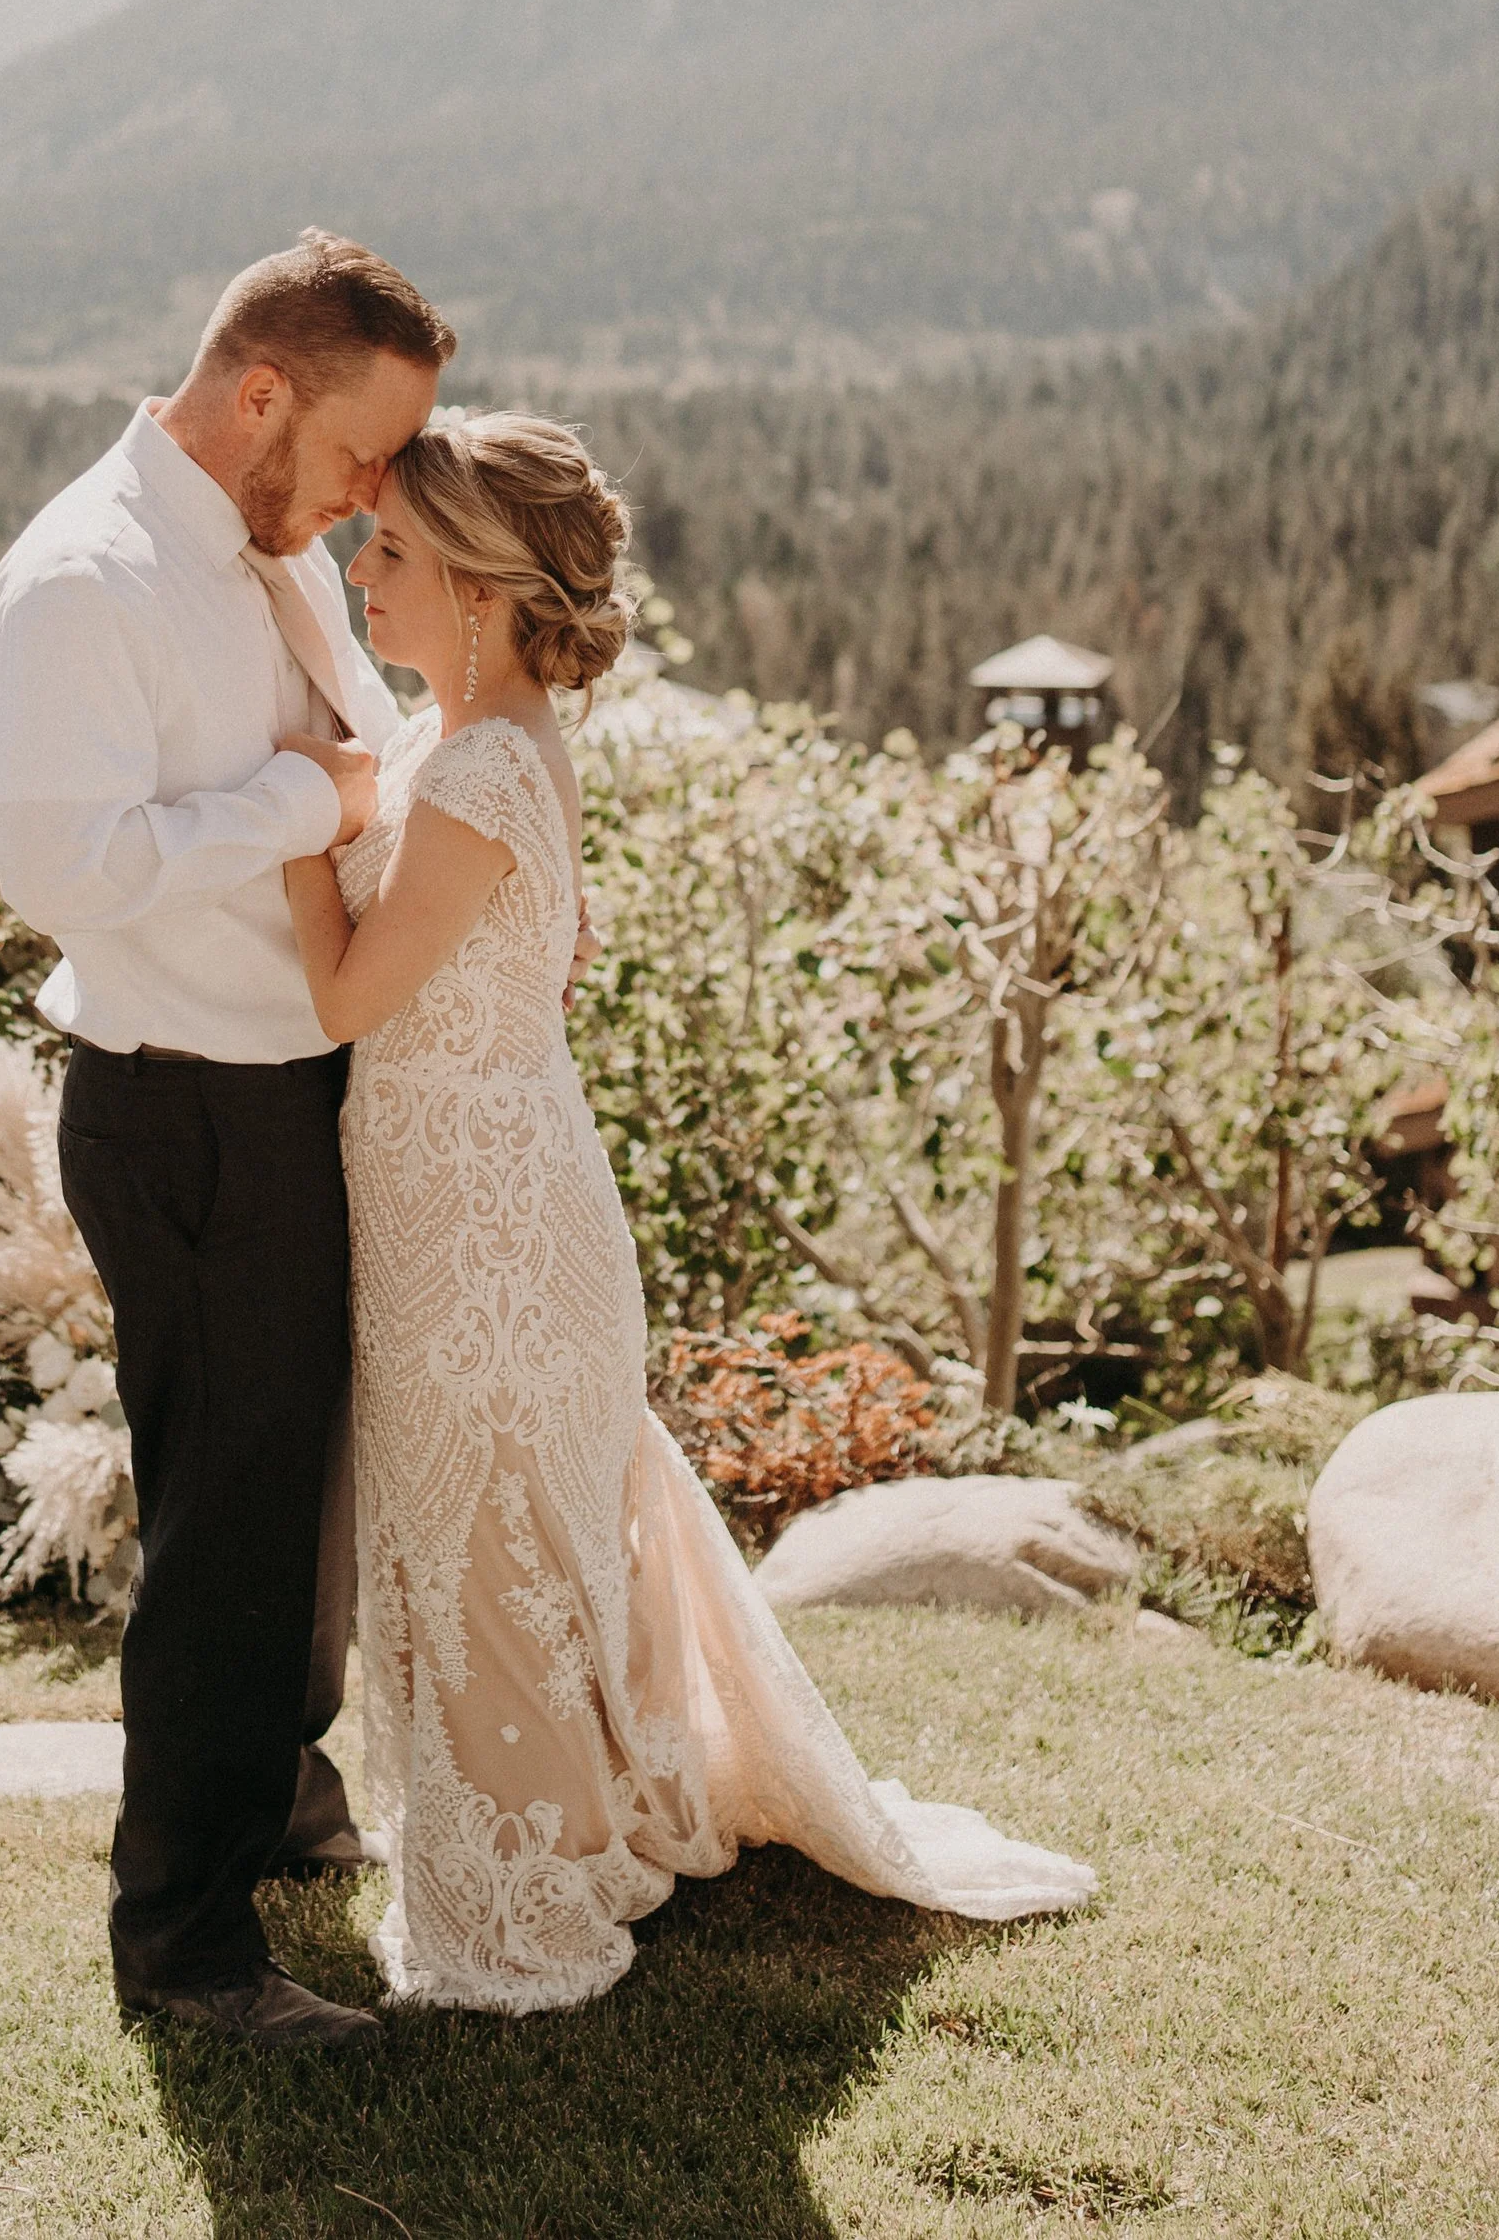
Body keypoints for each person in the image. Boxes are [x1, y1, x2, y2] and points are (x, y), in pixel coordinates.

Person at [280, 410, 1097, 2013]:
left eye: (392, 553)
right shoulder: (470, 745)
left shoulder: (490, 763)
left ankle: (527, 1888)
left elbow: (342, 996)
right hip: (465, 1191)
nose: (358, 572)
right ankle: (561, 1826)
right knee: (491, 1527)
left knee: (489, 1530)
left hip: (490, 1226)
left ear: (487, 592)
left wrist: (306, 822)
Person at [0, 229, 452, 2052]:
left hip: (298, 1087)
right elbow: (60, 872)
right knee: (228, 1525)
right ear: (261, 394)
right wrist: (298, 800)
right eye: (351, 461)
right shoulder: (80, 582)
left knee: (301, 1489)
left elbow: (360, 753)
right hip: (188, 1105)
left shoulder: (265, 554)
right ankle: (183, 1953)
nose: (359, 505)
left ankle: (279, 1805)